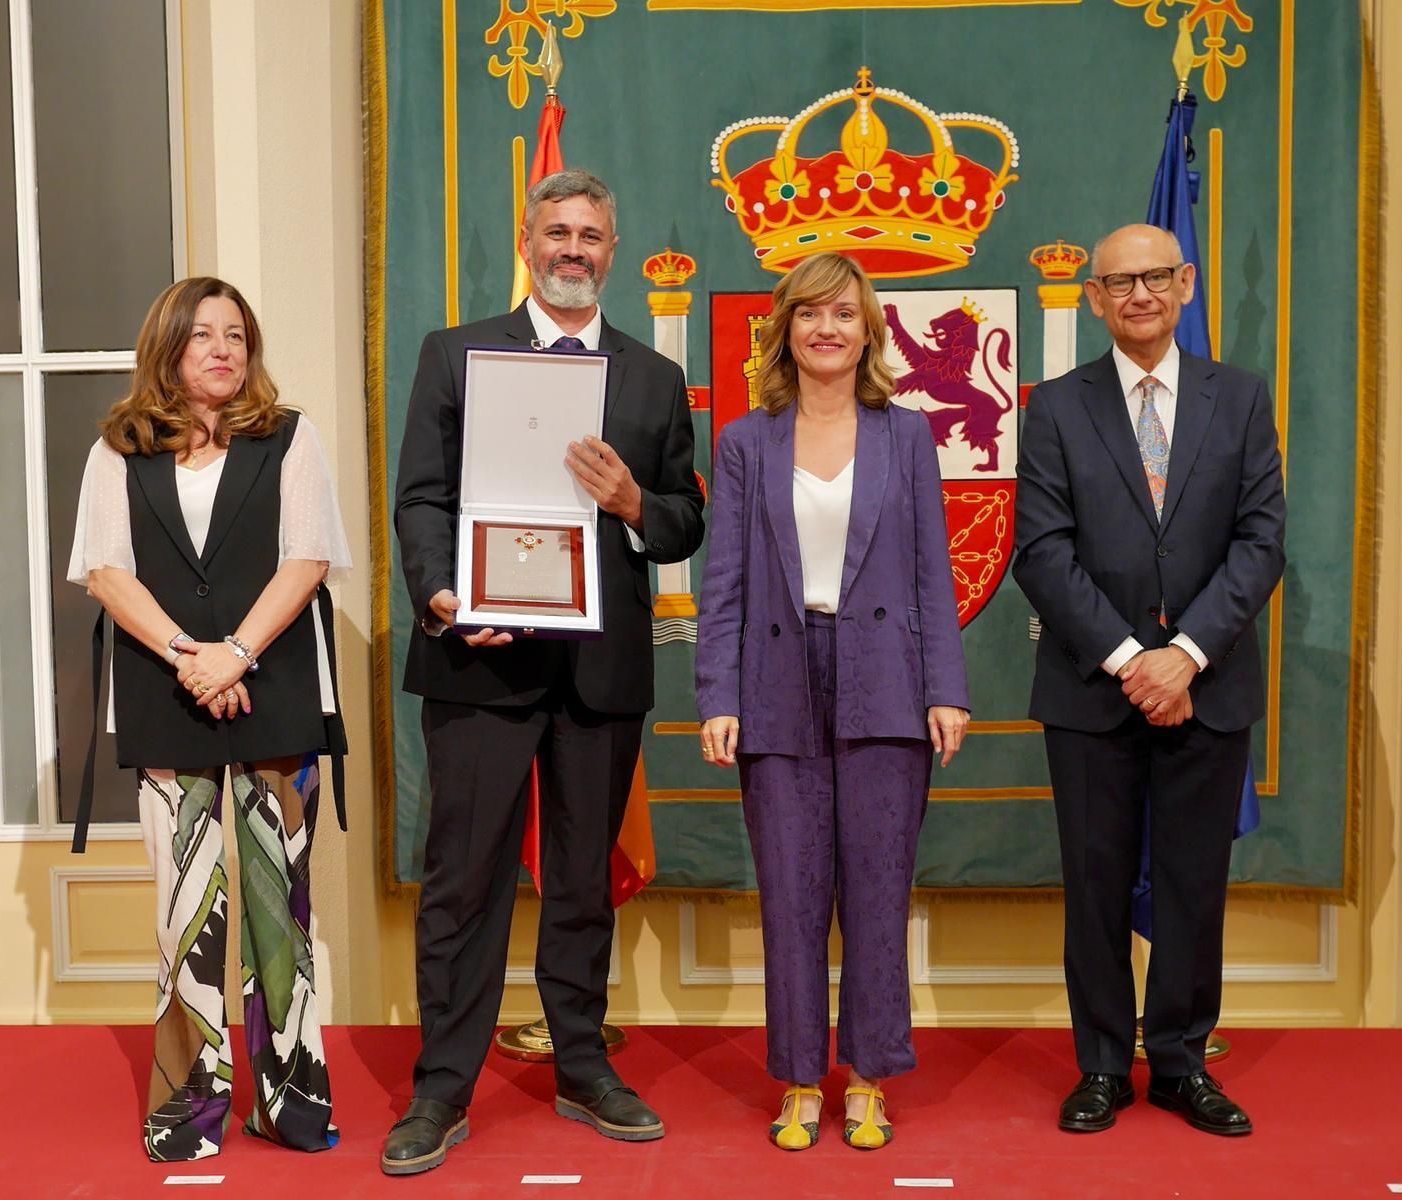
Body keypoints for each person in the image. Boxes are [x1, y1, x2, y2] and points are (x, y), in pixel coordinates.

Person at [386, 169, 705, 1176]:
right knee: (463, 884)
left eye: (591, 236)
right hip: (476, 661)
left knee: (580, 885)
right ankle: (442, 1088)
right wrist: (443, 595)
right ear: (526, 241)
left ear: (613, 250)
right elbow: (423, 500)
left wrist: (630, 505)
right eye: (557, 232)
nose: (574, 249)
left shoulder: (652, 378)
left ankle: (580, 1066)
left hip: (600, 674)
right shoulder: (455, 354)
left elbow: (686, 517)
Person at [67, 276, 350, 1162]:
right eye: (202, 336)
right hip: (165, 693)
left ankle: (289, 1097)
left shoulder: (290, 437)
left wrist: (238, 653)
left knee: (280, 903)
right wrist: (194, 657)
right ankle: (192, 1104)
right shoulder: (118, 449)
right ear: (169, 350)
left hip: (277, 690)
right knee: (186, 909)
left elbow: (308, 559)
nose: (223, 349)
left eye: (236, 335)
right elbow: (106, 573)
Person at [1012, 223, 1286, 1137]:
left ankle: (1178, 1062)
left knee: (1192, 884)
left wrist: (1189, 655)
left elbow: (1261, 541)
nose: (1139, 295)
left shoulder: (1241, 400)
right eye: (1119, 282)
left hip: (1209, 686)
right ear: (1093, 298)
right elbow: (1042, 552)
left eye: (1156, 278)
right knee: (1093, 883)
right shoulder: (1053, 407)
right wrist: (1134, 661)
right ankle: (1100, 1067)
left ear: (1188, 283)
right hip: (1096, 691)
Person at [695, 252, 970, 1152]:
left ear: (869, 331)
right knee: (791, 894)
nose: (826, 329)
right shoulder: (744, 442)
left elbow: (937, 573)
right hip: (776, 685)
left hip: (886, 682)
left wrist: (946, 691)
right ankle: (801, 1080)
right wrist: (717, 695)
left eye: (844, 315)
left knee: (879, 893)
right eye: (810, 314)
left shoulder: (908, 437)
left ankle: (872, 1079)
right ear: (784, 327)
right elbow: (724, 584)